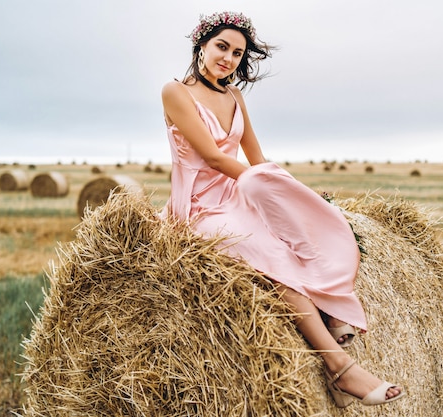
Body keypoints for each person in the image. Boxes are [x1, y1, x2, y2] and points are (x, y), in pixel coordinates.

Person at [160, 11, 405, 408]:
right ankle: (339, 367)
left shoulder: (234, 96)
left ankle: (332, 306)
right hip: (201, 205)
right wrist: (270, 188)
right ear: (201, 45)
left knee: (302, 231)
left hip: (240, 192)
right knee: (271, 255)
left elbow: (256, 158)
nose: (228, 58)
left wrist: (292, 197)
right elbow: (215, 158)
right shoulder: (175, 92)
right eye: (222, 47)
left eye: (238, 53)